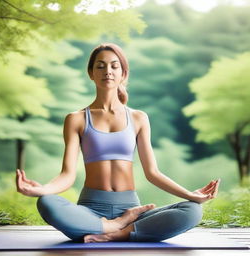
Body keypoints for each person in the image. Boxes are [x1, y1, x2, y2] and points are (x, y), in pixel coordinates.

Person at [16, 43, 220, 243]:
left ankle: (120, 231)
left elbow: (153, 173)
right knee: (47, 202)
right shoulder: (76, 119)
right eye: (100, 65)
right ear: (91, 73)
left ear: (123, 73)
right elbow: (67, 175)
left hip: (131, 207)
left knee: (192, 210)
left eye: (114, 66)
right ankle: (116, 226)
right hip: (90, 209)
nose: (108, 71)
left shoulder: (139, 118)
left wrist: (190, 195)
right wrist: (41, 190)